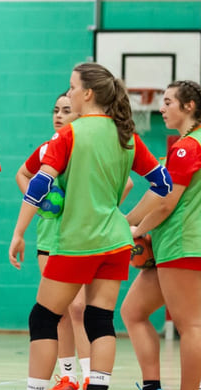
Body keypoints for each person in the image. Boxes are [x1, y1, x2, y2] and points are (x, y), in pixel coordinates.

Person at [8, 62, 172, 390]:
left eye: (71, 87)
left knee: (43, 317)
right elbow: (163, 184)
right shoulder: (127, 136)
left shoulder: (69, 134)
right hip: (114, 241)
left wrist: (18, 232)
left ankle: (36, 387)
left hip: (77, 241)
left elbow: (39, 185)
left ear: (87, 93)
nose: (68, 93)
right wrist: (127, 220)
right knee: (100, 320)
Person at [122, 80, 201, 390]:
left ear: (189, 106)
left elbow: (167, 203)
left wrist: (135, 232)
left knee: (190, 324)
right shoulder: (187, 146)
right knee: (133, 311)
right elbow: (158, 196)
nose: (161, 107)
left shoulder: (187, 146)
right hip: (171, 245)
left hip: (183, 244)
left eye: (168, 102)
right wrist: (128, 224)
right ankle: (153, 385)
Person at [14, 92, 91, 390]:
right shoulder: (47, 148)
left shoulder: (85, 148)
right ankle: (68, 376)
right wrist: (40, 199)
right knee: (56, 309)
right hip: (48, 239)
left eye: (67, 110)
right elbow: (23, 174)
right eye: (56, 110)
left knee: (79, 308)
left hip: (80, 239)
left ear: (80, 114)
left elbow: (126, 184)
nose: (59, 115)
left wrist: (85, 208)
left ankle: (88, 377)